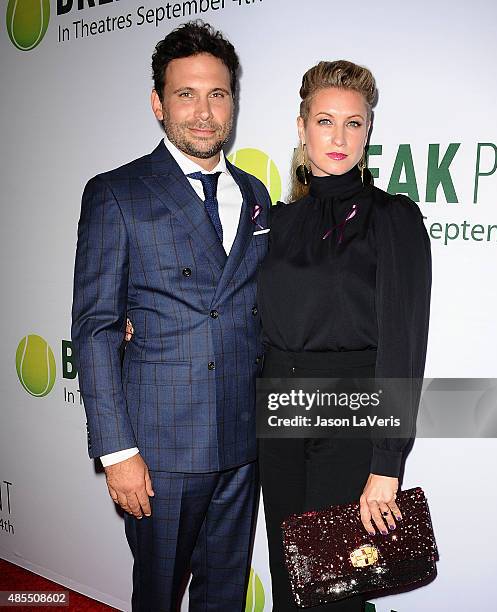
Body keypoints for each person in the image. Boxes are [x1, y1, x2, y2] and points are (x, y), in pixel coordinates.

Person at [71, 21, 270, 612]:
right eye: (186, 94)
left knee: (225, 597)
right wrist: (117, 451)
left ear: (233, 100)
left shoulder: (256, 195)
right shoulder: (117, 193)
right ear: (159, 103)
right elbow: (97, 327)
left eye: (217, 93)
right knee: (157, 596)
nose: (204, 112)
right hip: (159, 451)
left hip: (241, 441)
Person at [257, 61, 431, 611]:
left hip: (351, 415)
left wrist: (387, 462)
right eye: (325, 121)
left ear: (368, 132)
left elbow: (404, 342)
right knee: (290, 580)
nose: (338, 137)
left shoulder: (392, 218)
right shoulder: (279, 223)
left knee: (336, 590)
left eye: (353, 123)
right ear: (302, 125)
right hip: (278, 413)